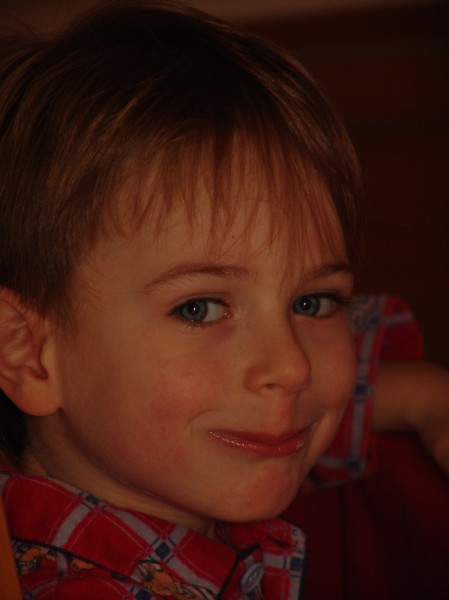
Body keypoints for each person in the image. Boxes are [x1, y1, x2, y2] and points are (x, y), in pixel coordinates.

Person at [0, 2, 447, 598]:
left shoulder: (176, 455)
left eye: (313, 302)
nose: (292, 367)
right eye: (200, 309)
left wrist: (422, 396)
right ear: (28, 355)